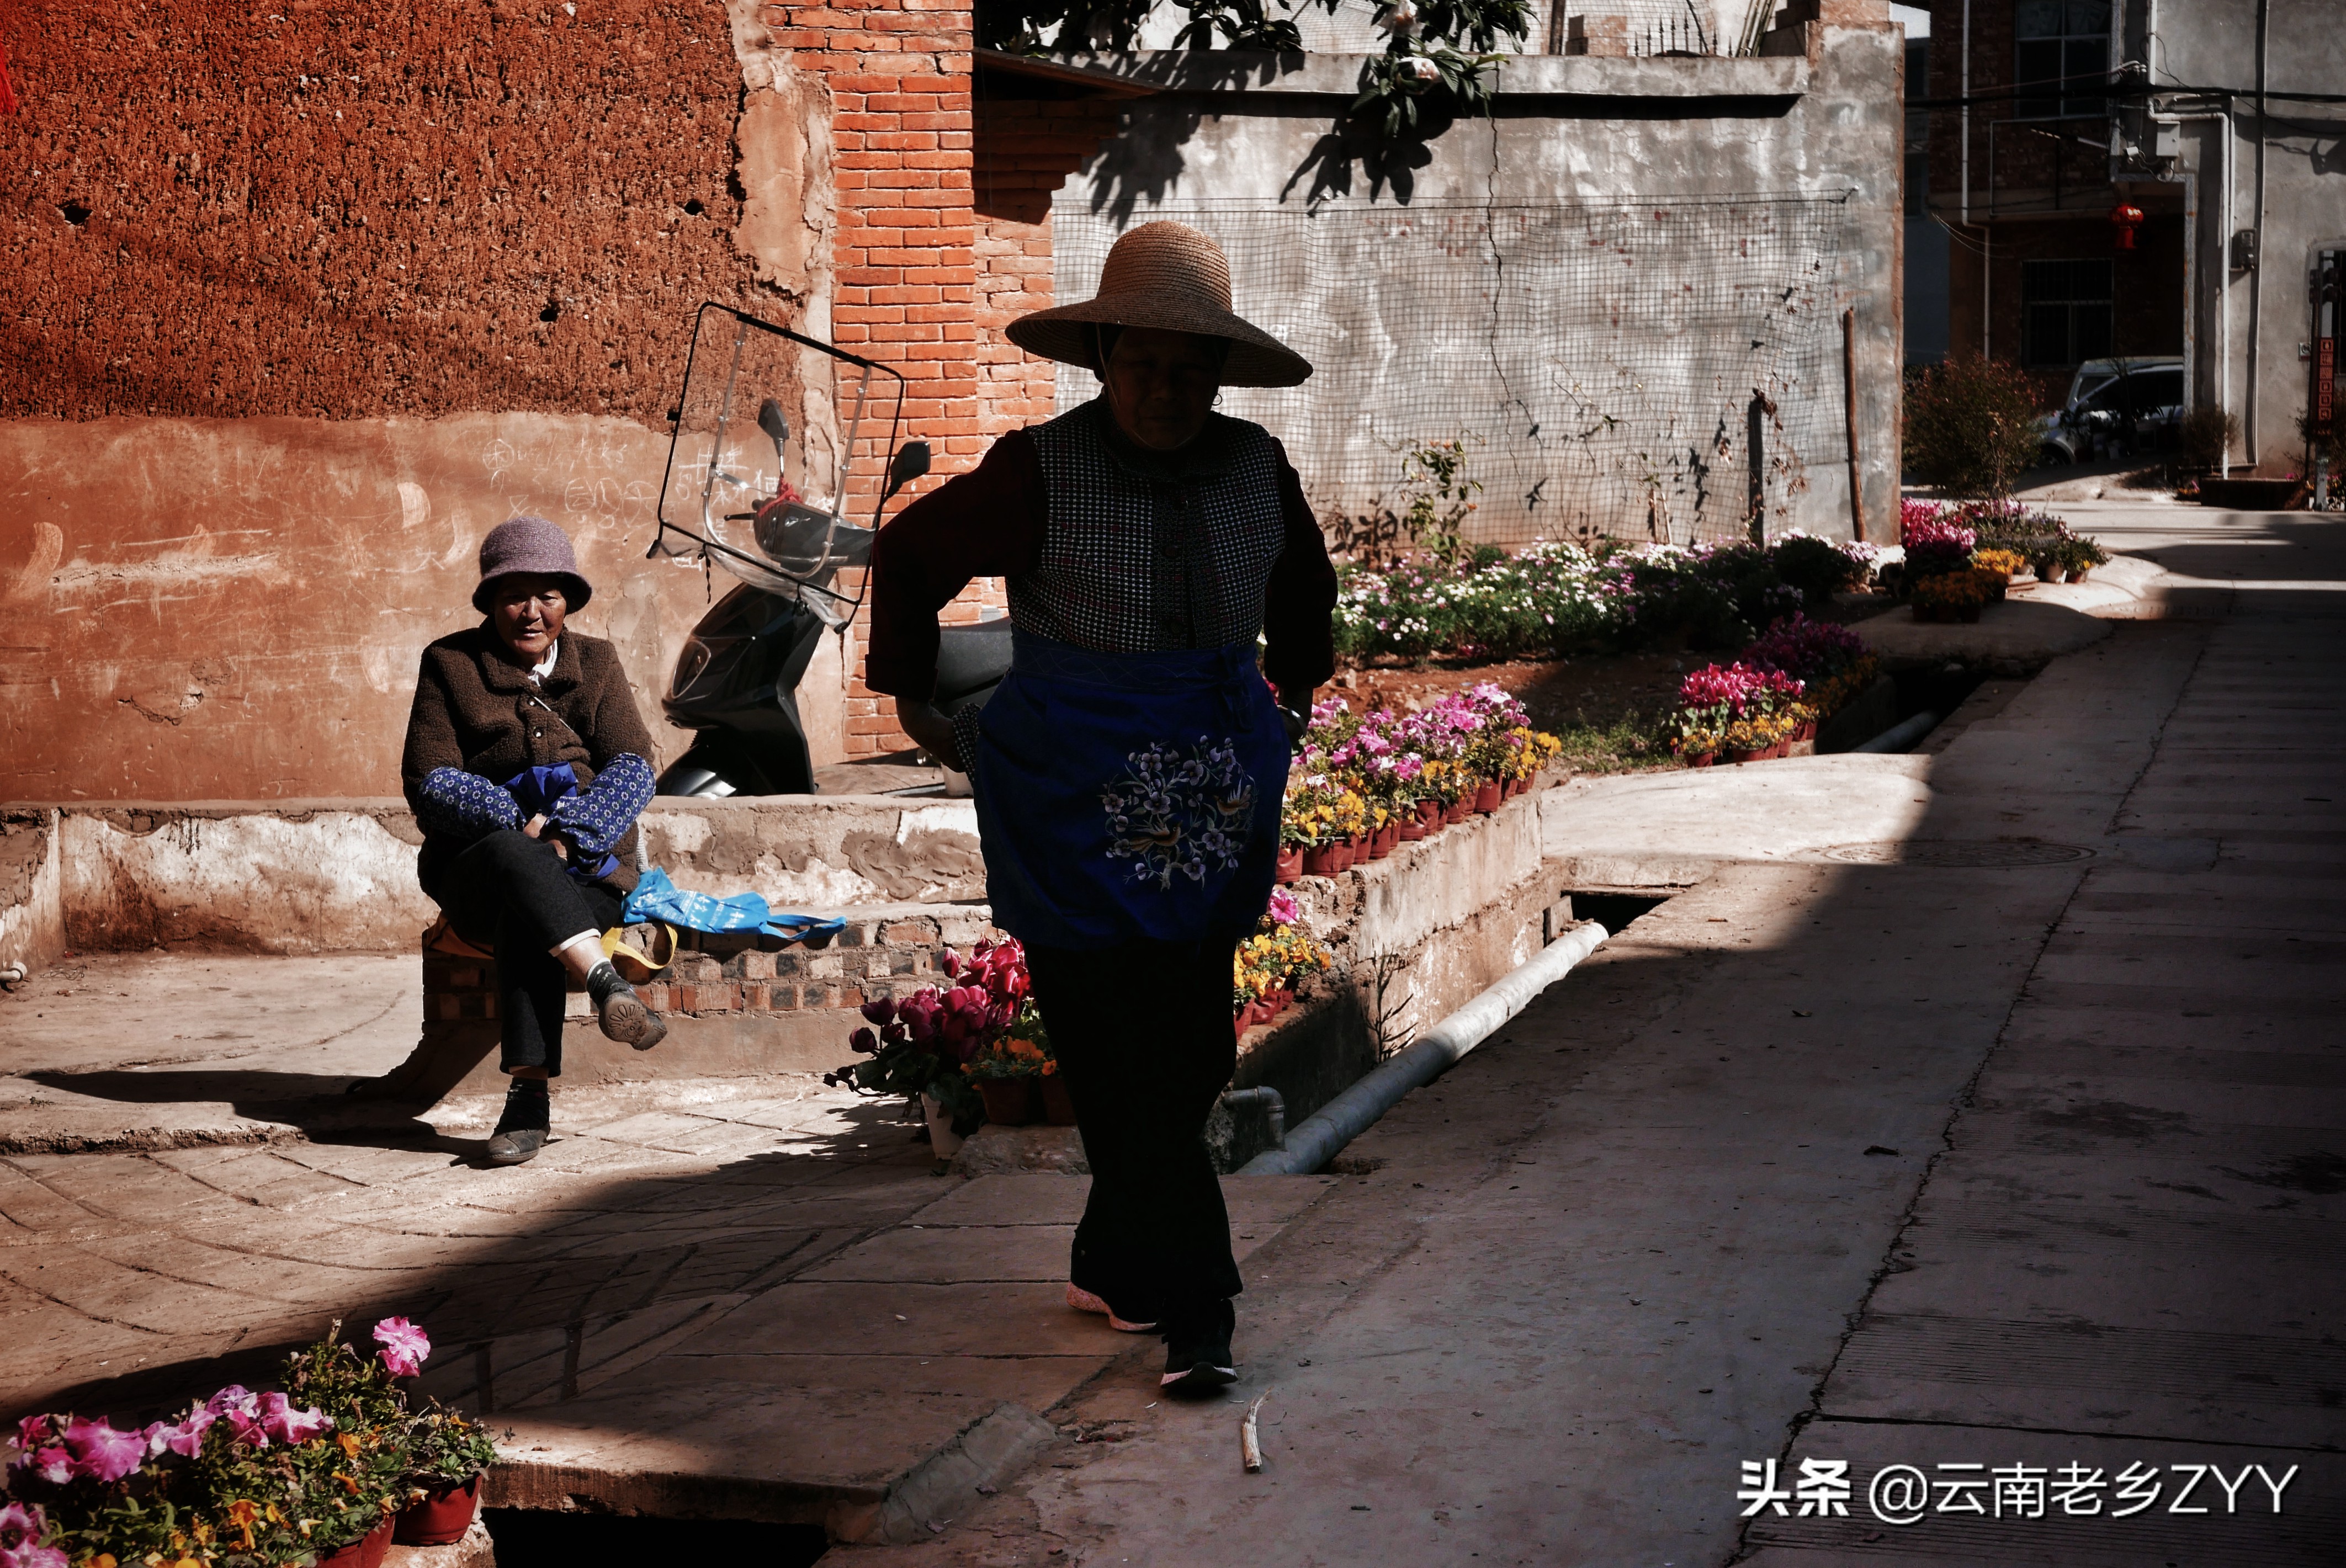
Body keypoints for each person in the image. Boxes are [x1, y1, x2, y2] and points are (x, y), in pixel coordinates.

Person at [865, 221, 1336, 1392]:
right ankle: (1201, 1311)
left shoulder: (1254, 468)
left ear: (1220, 375)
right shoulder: (1040, 468)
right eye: (1143, 364)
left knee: (1186, 1051)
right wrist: (919, 701)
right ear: (1103, 360)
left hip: (1211, 795)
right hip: (1070, 783)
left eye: (1190, 368)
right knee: (1106, 1033)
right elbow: (912, 556)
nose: (1165, 389)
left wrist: (1294, 687)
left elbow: (1303, 582)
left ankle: (1114, 1259)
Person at [399, 516, 667, 1166]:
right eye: (514, 595)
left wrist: (568, 838)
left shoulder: (597, 663)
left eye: (547, 595)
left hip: (582, 871)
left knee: (532, 908)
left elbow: (634, 765)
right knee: (511, 860)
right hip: (476, 868)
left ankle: (528, 1102)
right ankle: (605, 985)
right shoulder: (449, 664)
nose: (531, 611)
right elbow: (429, 779)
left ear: (567, 601)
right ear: (491, 601)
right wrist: (518, 823)